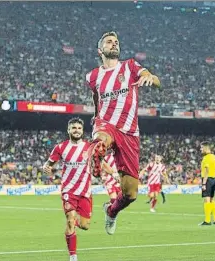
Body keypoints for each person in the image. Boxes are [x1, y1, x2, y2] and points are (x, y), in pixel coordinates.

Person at [85, 31, 161, 235]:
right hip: (106, 125)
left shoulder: (130, 66)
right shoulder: (92, 76)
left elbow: (154, 79)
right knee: (101, 140)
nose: (114, 44)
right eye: (109, 42)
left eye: (116, 41)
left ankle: (111, 211)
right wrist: (95, 117)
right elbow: (96, 98)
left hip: (130, 133)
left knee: (130, 193)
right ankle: (95, 154)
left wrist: (149, 77)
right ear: (100, 50)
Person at [43, 118, 91, 261]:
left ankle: (75, 223)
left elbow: (101, 162)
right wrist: (47, 169)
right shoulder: (60, 147)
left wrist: (113, 173)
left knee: (85, 225)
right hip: (68, 191)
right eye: (73, 128)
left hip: (85, 192)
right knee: (70, 220)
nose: (76, 130)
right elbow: (49, 164)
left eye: (79, 128)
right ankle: (73, 256)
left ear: (82, 131)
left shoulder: (89, 147)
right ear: (68, 130)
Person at [199, 141, 215, 226]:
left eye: (202, 147)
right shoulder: (214, 157)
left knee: (206, 199)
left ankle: (207, 220)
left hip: (207, 180)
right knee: (212, 199)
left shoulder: (206, 158)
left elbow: (206, 170)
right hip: (214, 179)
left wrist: (203, 183)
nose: (201, 149)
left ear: (206, 148)